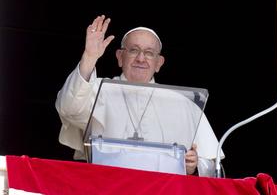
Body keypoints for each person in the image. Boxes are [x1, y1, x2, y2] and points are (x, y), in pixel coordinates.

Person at [55, 15, 223, 176]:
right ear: (120, 57)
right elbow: (69, 109)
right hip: (108, 185)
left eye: (149, 53)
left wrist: (193, 164)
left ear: (159, 63)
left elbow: (213, 167)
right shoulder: (99, 90)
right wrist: (90, 57)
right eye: (134, 50)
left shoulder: (182, 103)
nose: (141, 58)